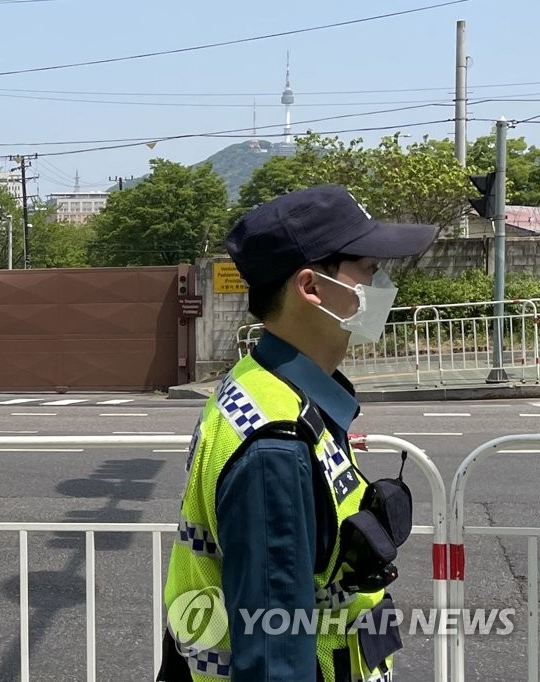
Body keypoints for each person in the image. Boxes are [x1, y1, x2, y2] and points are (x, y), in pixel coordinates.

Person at [158, 184, 435, 682]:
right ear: (311, 287)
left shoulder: (267, 388)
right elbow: (274, 659)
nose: (382, 286)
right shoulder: (278, 446)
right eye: (369, 270)